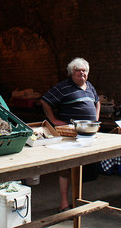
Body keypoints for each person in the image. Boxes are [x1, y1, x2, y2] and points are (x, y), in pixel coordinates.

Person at [40, 57, 101, 212]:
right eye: (78, 70)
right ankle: (64, 203)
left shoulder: (90, 87)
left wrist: (96, 118)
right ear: (71, 72)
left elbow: (97, 101)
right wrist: (53, 119)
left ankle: (78, 199)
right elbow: (45, 101)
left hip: (88, 134)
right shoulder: (63, 87)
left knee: (81, 167)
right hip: (70, 135)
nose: (82, 73)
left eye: (84, 70)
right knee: (66, 168)